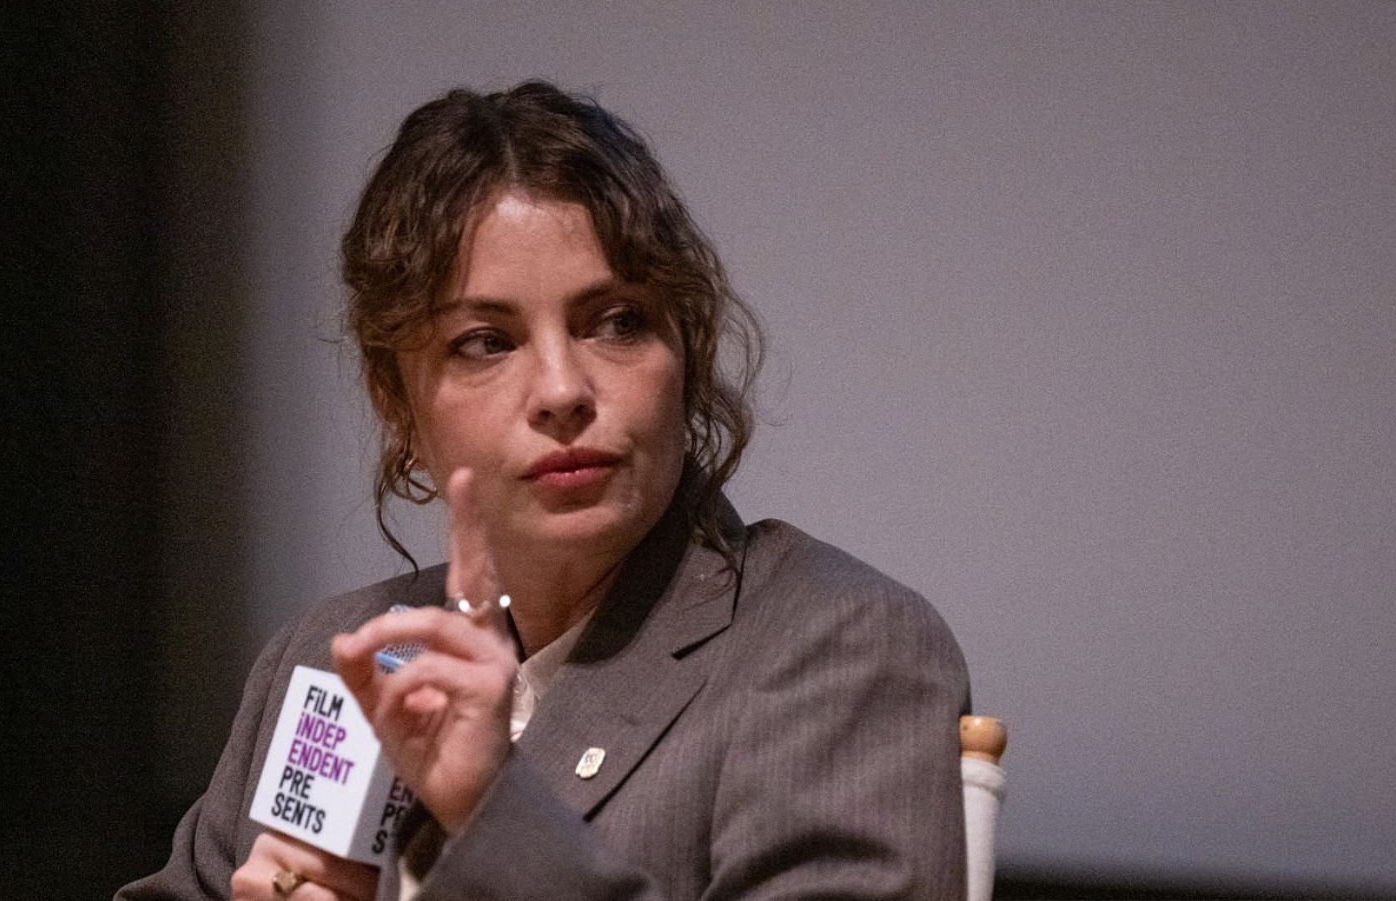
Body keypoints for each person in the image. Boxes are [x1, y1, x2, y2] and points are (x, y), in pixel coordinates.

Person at [119, 80, 970, 901]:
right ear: (396, 402)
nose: (563, 389)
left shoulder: (842, 646)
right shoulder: (334, 656)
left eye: (618, 321)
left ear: (689, 350)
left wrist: (493, 807)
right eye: (486, 341)